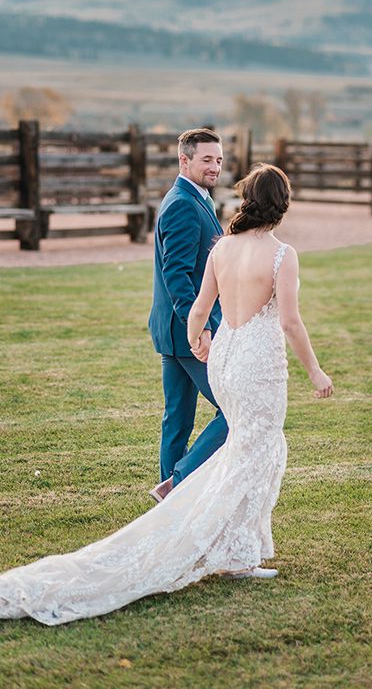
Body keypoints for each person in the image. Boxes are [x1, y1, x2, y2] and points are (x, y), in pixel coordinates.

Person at [0, 163, 333, 626]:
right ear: (283, 204)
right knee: (255, 453)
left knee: (244, 451)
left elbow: (199, 308)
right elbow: (290, 321)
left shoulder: (223, 248)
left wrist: (199, 339)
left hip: (227, 359)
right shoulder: (281, 254)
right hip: (256, 365)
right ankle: (232, 552)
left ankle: (239, 550)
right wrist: (315, 372)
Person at [147, 127, 228, 504]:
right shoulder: (182, 203)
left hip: (174, 332)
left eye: (219, 160)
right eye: (207, 160)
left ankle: (169, 504)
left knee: (177, 421)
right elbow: (176, 274)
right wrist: (199, 329)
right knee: (235, 410)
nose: (215, 167)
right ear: (185, 160)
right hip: (187, 333)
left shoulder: (194, 199)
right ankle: (177, 483)